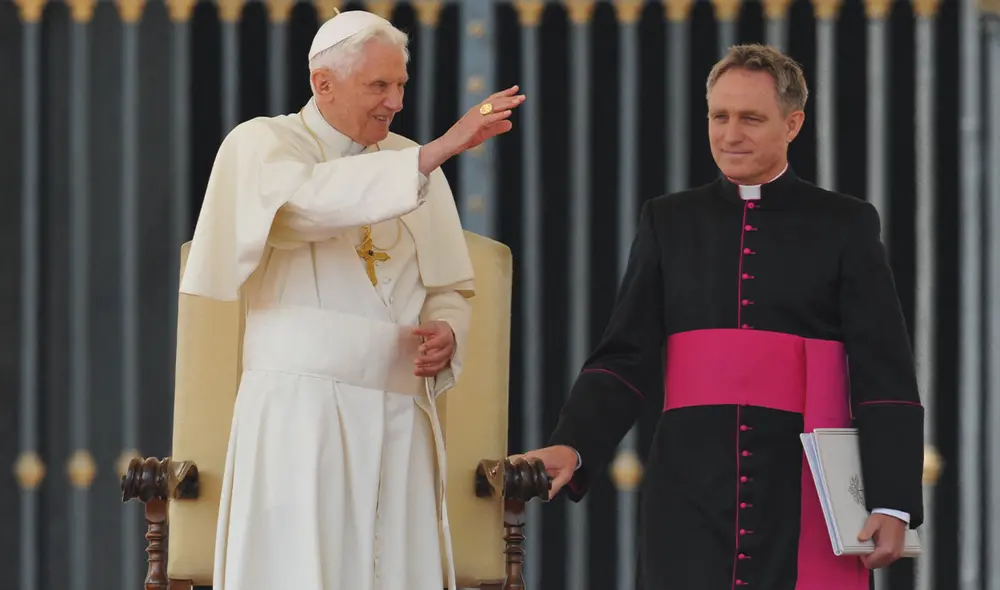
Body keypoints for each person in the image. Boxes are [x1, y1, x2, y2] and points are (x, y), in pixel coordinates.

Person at [515, 44, 923, 589]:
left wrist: (893, 501)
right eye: (719, 116)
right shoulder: (669, 220)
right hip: (688, 485)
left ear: (793, 123)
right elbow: (625, 356)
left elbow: (883, 369)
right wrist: (574, 442)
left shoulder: (844, 224)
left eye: (751, 119)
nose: (731, 135)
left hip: (797, 481)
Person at [178, 9, 524, 590]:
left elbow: (450, 288)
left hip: (399, 423)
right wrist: (431, 154)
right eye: (379, 85)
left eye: (401, 85)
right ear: (324, 83)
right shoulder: (262, 143)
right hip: (299, 417)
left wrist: (448, 331)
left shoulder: (415, 162)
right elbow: (308, 205)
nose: (395, 101)